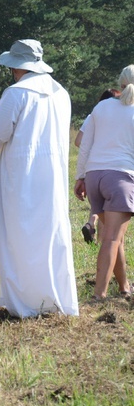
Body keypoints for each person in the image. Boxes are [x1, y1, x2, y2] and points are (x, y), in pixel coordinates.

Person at [0, 39, 78, 317]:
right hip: (52, 174)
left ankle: (23, 302)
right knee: (51, 232)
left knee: (18, 235)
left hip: (20, 173)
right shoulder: (61, 93)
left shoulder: (16, 93)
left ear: (17, 68)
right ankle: (53, 297)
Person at [74, 66, 134, 300]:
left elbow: (85, 145)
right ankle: (99, 295)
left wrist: (80, 177)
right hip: (120, 178)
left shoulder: (101, 107)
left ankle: (124, 287)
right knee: (111, 238)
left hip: (95, 177)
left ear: (120, 83)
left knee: (112, 237)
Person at [75, 88, 119, 245]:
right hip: (109, 167)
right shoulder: (116, 117)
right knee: (106, 209)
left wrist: (91, 148)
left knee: (97, 204)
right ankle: (102, 242)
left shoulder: (92, 115)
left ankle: (90, 225)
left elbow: (78, 141)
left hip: (91, 167)